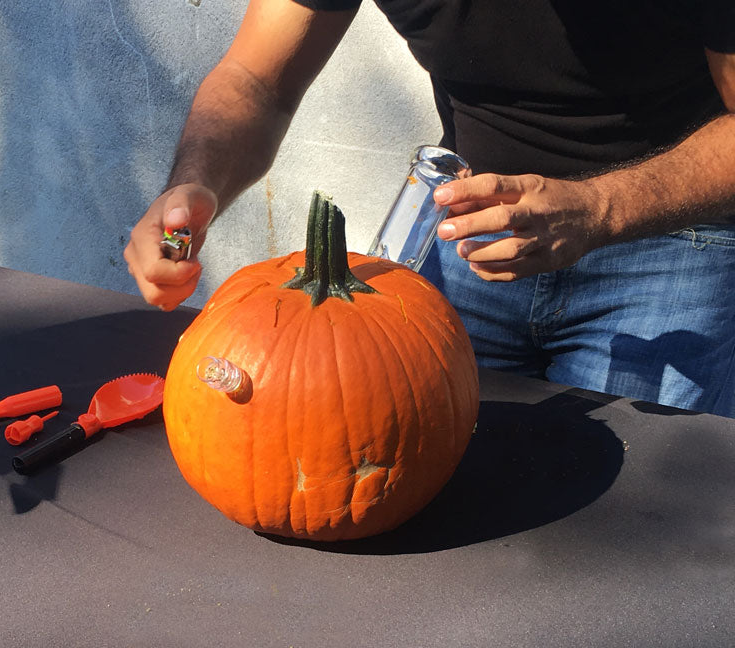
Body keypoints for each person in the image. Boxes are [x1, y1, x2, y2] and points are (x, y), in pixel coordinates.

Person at [124, 0, 735, 417]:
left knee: (629, 531)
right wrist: (195, 184)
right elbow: (257, 80)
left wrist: (601, 208)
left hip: (671, 235)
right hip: (466, 229)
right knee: (403, 464)